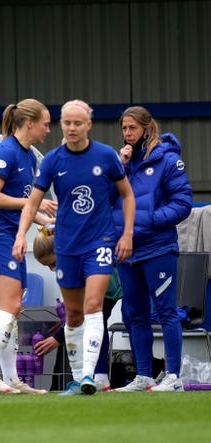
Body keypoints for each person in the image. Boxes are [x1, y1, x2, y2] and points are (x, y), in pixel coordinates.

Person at [13, 99, 136, 396]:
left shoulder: (106, 156)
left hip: (100, 242)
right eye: (66, 123)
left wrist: (127, 234)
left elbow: (127, 196)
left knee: (94, 306)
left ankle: (89, 377)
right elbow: (33, 202)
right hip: (67, 246)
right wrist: (21, 235)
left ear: (88, 125)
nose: (71, 128)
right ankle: (78, 377)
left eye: (77, 123)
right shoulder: (53, 160)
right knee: (74, 314)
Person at [0, 98, 57, 395]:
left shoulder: (30, 157)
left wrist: (44, 217)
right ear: (30, 123)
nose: (49, 129)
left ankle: (11, 379)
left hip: (12, 236)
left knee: (11, 310)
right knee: (11, 307)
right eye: (46, 123)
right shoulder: (6, 150)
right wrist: (32, 202)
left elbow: (22, 206)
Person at [111, 106, 193, 392]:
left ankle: (173, 377)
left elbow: (183, 203)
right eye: (124, 128)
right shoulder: (121, 162)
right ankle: (143, 375)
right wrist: (120, 167)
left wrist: (147, 221)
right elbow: (110, 200)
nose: (127, 133)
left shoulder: (168, 160)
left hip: (158, 248)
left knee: (167, 311)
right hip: (127, 250)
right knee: (135, 314)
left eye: (132, 128)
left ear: (147, 128)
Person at [32, 230, 123, 391]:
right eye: (47, 266)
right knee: (97, 322)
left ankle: (95, 376)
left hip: (110, 286)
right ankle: (98, 376)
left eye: (53, 263)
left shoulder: (82, 261)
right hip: (106, 285)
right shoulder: (69, 264)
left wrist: (57, 338)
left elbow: (81, 314)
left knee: (95, 321)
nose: (52, 268)